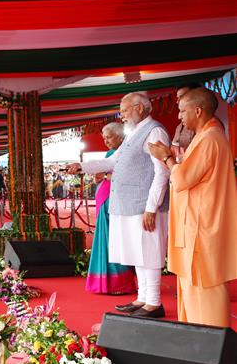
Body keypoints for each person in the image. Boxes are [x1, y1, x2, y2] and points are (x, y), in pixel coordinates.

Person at [67, 92, 170, 318]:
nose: (121, 115)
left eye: (124, 110)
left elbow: (162, 171)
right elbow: (112, 161)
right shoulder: (134, 133)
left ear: (140, 108)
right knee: (137, 252)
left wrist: (152, 207)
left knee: (149, 252)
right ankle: (143, 298)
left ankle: (154, 302)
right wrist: (82, 167)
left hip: (144, 204)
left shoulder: (154, 131)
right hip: (129, 204)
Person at [148, 88, 237, 327]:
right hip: (196, 224)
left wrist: (166, 158)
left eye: (182, 110)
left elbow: (184, 179)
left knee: (204, 287)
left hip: (203, 226)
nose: (179, 116)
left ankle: (211, 347)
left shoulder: (210, 138)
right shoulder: (204, 136)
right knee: (192, 288)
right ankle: (197, 342)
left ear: (198, 111)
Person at [84, 122, 136, 295]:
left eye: (109, 137)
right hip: (105, 198)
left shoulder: (125, 151)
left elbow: (120, 175)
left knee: (113, 239)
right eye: (104, 138)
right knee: (105, 238)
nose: (106, 141)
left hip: (114, 200)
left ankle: (117, 283)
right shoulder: (110, 153)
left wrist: (106, 174)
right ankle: (105, 282)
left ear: (120, 135)